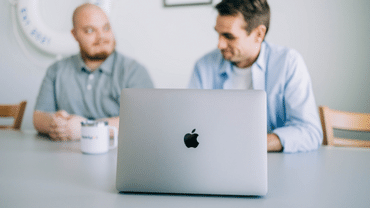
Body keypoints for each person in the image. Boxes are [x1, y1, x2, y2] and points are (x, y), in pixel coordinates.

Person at [188, 0, 322, 153]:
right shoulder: (204, 65)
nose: (220, 44)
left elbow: (310, 132)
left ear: (259, 34)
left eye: (229, 36)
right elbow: (190, 124)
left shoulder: (288, 63)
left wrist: (251, 144)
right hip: (215, 158)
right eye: (218, 34)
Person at [33, 3, 153, 141]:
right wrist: (55, 124)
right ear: (75, 34)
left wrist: (87, 128)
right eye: (90, 30)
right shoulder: (56, 70)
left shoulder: (134, 71)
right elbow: (38, 116)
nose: (101, 37)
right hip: (65, 158)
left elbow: (143, 120)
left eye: (106, 28)